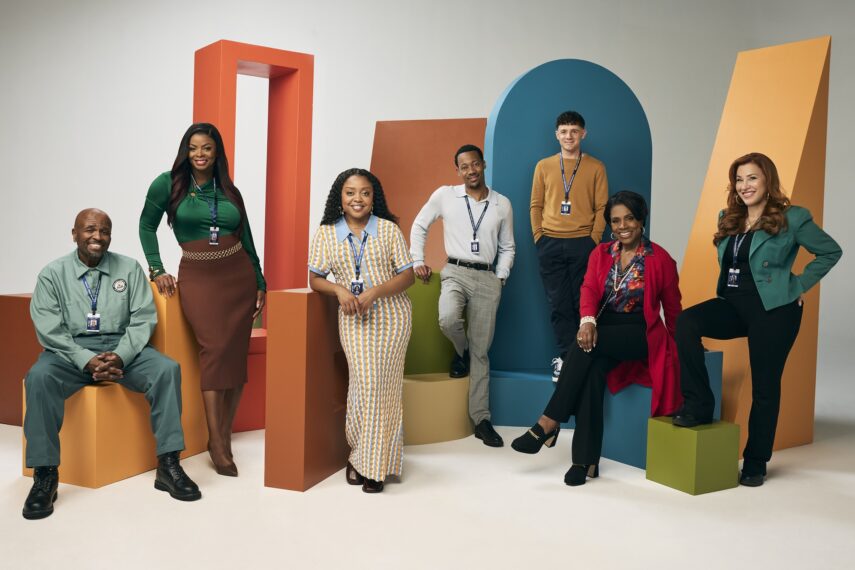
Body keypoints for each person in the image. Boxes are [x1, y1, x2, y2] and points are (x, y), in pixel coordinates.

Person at [672, 152, 841, 487]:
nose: (744, 185)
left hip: (775, 309)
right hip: (734, 304)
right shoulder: (729, 217)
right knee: (686, 323)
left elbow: (830, 251)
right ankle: (700, 404)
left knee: (764, 386)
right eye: (739, 179)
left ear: (767, 181)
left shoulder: (792, 218)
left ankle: (755, 461)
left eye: (752, 178)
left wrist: (798, 285)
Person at [22, 209, 200, 520]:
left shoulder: (128, 269)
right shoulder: (52, 274)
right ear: (74, 233)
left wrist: (121, 355)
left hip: (123, 352)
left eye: (104, 231)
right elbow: (48, 328)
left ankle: (168, 465)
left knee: (166, 370)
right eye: (90, 230)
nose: (97, 237)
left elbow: (144, 317)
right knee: (39, 377)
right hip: (69, 353)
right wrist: (85, 359)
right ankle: (45, 475)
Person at [512, 191, 682, 485]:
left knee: (586, 346)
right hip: (604, 327)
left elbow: (673, 306)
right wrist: (587, 321)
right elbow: (589, 289)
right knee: (591, 373)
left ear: (641, 220)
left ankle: (549, 422)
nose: (622, 225)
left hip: (640, 332)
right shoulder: (601, 253)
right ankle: (585, 461)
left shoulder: (661, 259)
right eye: (615, 221)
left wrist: (685, 344)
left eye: (629, 218)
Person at [139, 123, 266, 477]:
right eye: (194, 148)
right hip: (198, 277)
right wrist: (156, 268)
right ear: (185, 150)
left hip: (238, 277)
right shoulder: (168, 183)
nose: (200, 154)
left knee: (235, 357)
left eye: (207, 148)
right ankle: (216, 442)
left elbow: (248, 237)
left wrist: (260, 281)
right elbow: (146, 226)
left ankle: (224, 434)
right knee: (214, 352)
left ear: (216, 152)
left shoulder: (229, 189)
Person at [308, 168, 414, 493]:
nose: (358, 199)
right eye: (351, 192)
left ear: (374, 197)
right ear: (340, 197)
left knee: (386, 388)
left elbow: (407, 277)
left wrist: (375, 291)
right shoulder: (327, 233)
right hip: (354, 320)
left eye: (365, 193)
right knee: (364, 385)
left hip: (393, 317)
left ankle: (373, 466)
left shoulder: (389, 229)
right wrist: (340, 290)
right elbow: (314, 279)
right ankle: (361, 456)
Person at [411, 144, 515, 448]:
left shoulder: (502, 204)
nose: (471, 171)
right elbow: (420, 225)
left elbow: (508, 246)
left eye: (475, 165)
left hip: (487, 276)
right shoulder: (445, 195)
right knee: (447, 318)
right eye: (464, 166)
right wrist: (417, 259)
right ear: (458, 170)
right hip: (454, 270)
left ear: (483, 165)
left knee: (482, 352)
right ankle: (461, 351)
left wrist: (502, 275)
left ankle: (481, 419)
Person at [531, 111, 609, 382]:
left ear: (583, 134)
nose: (569, 136)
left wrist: (594, 239)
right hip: (550, 242)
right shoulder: (543, 166)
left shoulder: (596, 167)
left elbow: (602, 207)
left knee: (584, 304)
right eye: (564, 131)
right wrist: (539, 236)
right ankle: (565, 358)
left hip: (583, 243)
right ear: (557, 135)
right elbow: (536, 205)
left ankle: (583, 358)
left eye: (574, 131)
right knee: (558, 304)